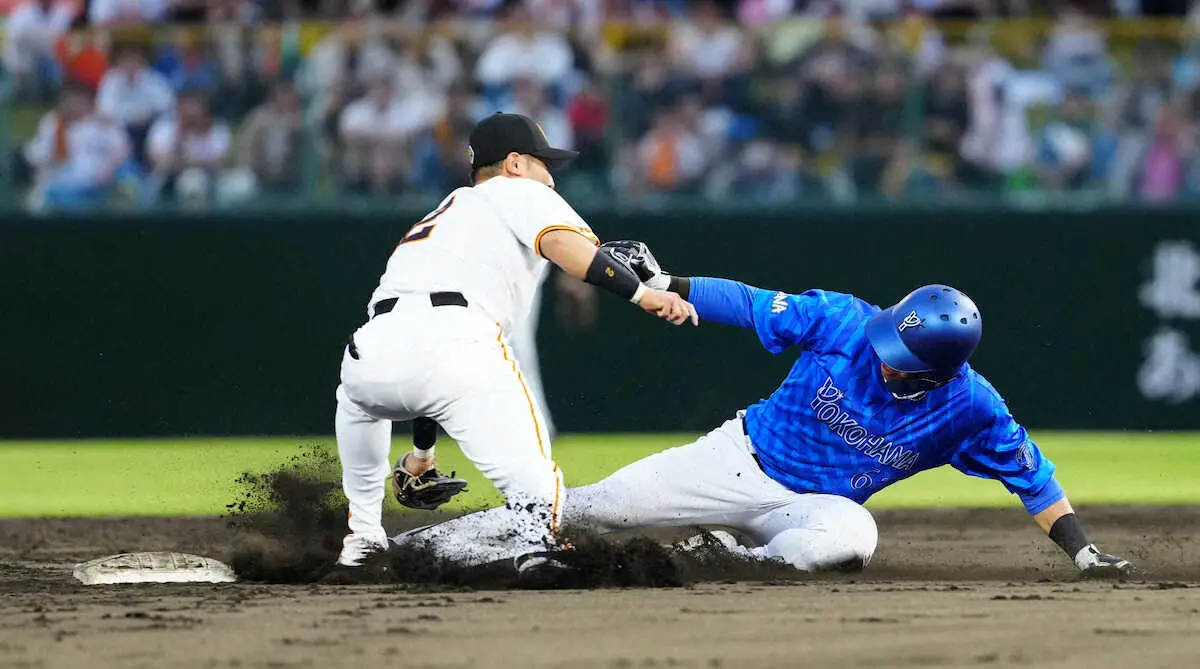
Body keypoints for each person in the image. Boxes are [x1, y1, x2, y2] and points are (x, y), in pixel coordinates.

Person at [394, 241, 1134, 579]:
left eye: (902, 356)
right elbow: (750, 303)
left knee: (852, 539)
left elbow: (1033, 477)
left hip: (808, 508)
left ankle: (717, 559)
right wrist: (667, 282)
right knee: (590, 510)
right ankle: (417, 551)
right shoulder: (846, 320)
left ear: (941, 370)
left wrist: (1082, 551)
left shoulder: (971, 408)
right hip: (737, 461)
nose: (883, 354)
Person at [332, 114, 698, 586]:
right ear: (515, 163)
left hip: (370, 351)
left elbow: (420, 352)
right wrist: (642, 294)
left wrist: (422, 451)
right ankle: (537, 548)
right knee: (533, 473)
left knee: (359, 406)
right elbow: (563, 245)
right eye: (544, 164)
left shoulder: (445, 213)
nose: (551, 177)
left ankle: (362, 542)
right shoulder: (520, 191)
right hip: (455, 340)